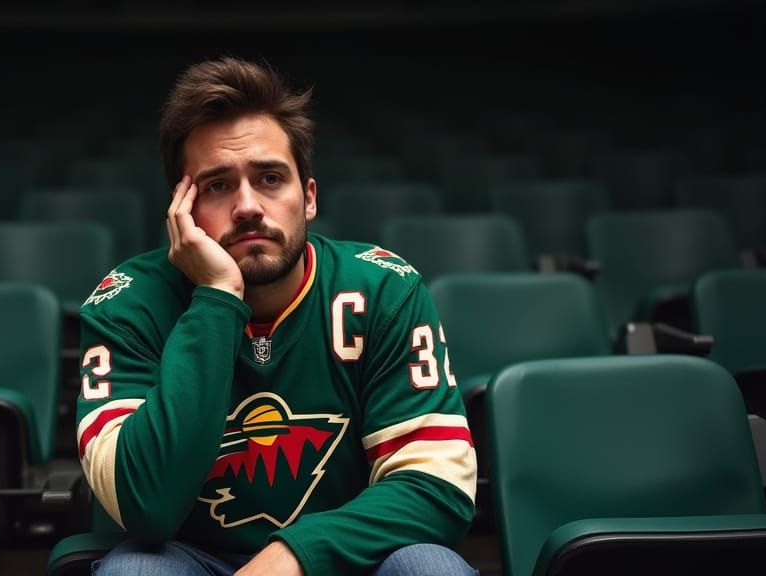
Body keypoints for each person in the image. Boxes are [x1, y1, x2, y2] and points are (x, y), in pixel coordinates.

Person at [77, 55, 478, 575]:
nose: (247, 206)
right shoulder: (127, 303)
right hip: (193, 557)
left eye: (269, 178)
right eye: (217, 185)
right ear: (181, 210)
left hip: (348, 557)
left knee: (431, 568)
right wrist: (219, 296)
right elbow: (145, 506)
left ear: (307, 197)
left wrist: (294, 554)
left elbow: (437, 489)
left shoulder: (383, 287)